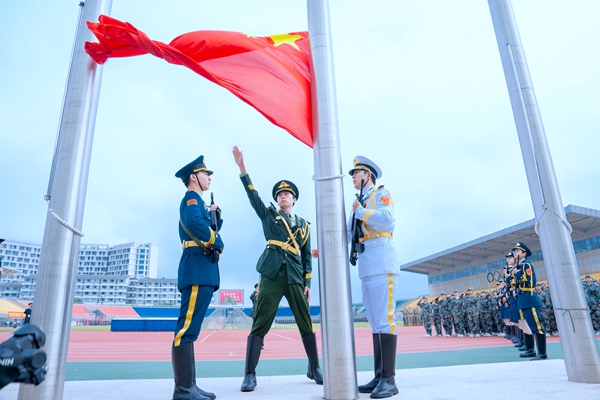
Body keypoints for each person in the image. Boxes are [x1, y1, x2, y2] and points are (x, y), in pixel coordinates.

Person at [232, 146, 322, 392]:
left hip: (294, 276)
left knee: (305, 321)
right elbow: (253, 196)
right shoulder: (269, 215)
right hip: (271, 274)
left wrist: (307, 283)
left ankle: (315, 367)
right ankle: (250, 374)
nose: (283, 197)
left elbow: (307, 257)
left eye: (287, 194)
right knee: (261, 321)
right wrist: (243, 169)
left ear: (294, 200)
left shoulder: (304, 226)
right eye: (280, 194)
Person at [347, 156, 400, 399]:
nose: (353, 177)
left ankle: (389, 379)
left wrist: (361, 212)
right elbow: (349, 233)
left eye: (356, 172)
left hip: (381, 261)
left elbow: (388, 220)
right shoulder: (359, 203)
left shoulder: (380, 193)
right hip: (367, 265)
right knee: (375, 322)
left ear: (367, 175)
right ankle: (379, 376)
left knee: (385, 320)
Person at [171, 155, 224, 400]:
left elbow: (203, 226)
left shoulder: (200, 203)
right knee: (185, 330)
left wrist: (215, 219)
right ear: (194, 177)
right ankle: (183, 390)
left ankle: (190, 386)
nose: (209, 178)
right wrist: (216, 238)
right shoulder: (192, 199)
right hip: (196, 268)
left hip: (202, 268)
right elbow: (194, 223)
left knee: (190, 331)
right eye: (205, 174)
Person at [512, 242, 547, 361]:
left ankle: (542, 354)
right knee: (531, 326)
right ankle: (533, 351)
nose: (515, 253)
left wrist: (518, 275)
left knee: (536, 327)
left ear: (524, 253)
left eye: (517, 251)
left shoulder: (526, 265)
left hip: (529, 298)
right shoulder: (519, 266)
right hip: (523, 299)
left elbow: (530, 282)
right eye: (514, 251)